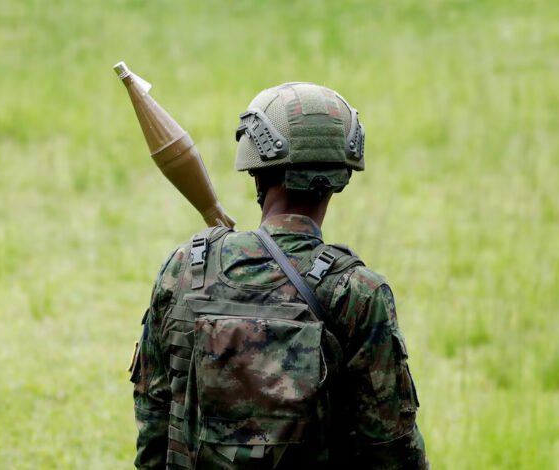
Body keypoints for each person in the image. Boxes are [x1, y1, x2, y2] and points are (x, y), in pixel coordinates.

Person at [130, 82, 428, 469]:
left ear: (255, 167)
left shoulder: (185, 269)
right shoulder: (358, 294)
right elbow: (393, 450)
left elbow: (154, 423)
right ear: (342, 175)